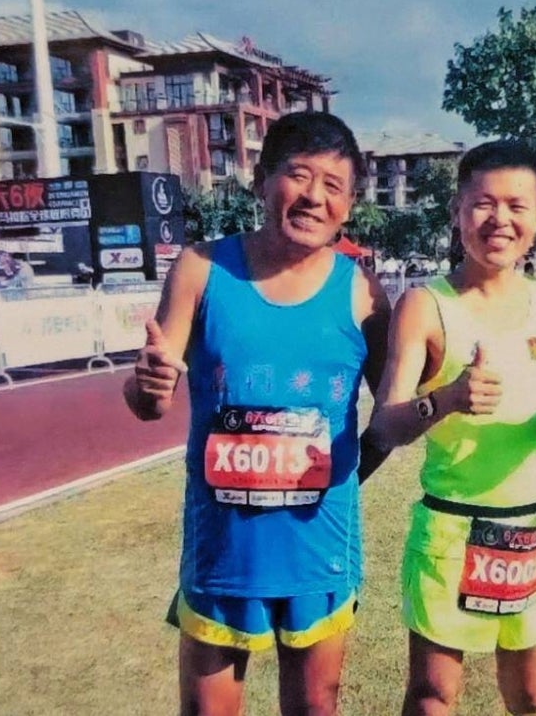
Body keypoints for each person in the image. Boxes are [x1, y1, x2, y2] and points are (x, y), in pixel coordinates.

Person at [123, 111, 390, 716]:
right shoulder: (200, 269)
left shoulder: (364, 292)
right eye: (298, 176)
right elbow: (147, 401)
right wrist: (148, 384)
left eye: (333, 186)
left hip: (317, 547)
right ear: (262, 180)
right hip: (224, 551)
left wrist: (343, 474)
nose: (313, 197)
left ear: (349, 206)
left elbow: (392, 412)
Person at [367, 140, 536, 716]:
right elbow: (384, 426)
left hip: (532, 532)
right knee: (431, 699)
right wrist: (444, 399)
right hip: (451, 534)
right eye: (483, 204)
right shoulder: (425, 305)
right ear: (457, 212)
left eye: (517, 206)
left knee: (529, 698)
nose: (500, 219)